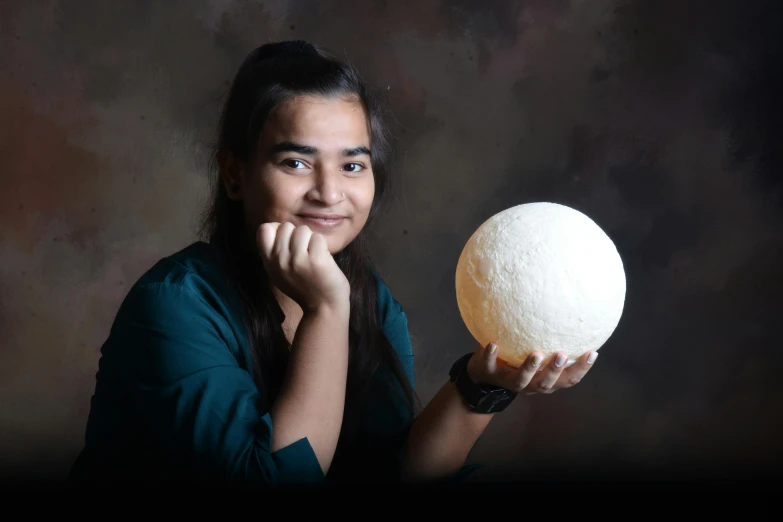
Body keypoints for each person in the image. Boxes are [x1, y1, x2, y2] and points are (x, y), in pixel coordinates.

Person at [69, 40, 599, 487]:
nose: (329, 193)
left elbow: (391, 472)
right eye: (296, 162)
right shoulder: (174, 305)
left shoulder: (369, 297)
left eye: (352, 165)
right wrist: (325, 310)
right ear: (235, 175)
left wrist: (487, 384)